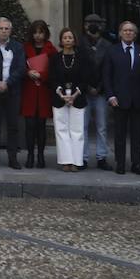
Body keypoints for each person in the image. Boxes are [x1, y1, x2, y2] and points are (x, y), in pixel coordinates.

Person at [102, 20, 140, 175]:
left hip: (138, 99)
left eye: (131, 30)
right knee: (119, 134)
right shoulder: (112, 51)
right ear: (120, 33)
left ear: (135, 34)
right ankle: (120, 163)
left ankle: (136, 163)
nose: (128, 33)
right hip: (119, 99)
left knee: (137, 135)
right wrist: (110, 95)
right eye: (125, 30)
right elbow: (106, 75)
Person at [0, 17, 27, 169]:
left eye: (6, 28)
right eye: (1, 28)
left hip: (12, 91)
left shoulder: (18, 47)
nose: (4, 31)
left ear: (11, 30)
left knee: (13, 126)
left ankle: (13, 159)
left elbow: (21, 68)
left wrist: (7, 83)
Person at [50, 27, 93, 171]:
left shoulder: (82, 57)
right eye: (65, 38)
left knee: (77, 130)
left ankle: (76, 161)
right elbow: (53, 78)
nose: (68, 40)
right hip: (59, 96)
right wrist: (62, 95)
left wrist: (74, 95)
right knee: (61, 129)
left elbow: (85, 78)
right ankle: (65, 161)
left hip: (77, 97)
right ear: (61, 41)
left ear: (74, 40)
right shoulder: (55, 58)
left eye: (70, 37)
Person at [21, 20, 57, 169]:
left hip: (43, 91)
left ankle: (41, 156)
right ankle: (30, 155)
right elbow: (18, 66)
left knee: (41, 126)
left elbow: (55, 70)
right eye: (35, 32)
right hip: (29, 91)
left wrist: (41, 75)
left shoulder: (51, 49)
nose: (38, 35)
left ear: (45, 33)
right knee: (29, 125)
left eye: (41, 32)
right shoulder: (25, 47)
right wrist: (28, 72)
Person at [81, 14, 112, 170]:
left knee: (102, 126)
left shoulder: (107, 45)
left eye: (96, 23)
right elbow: (79, 69)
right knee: (83, 126)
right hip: (84, 91)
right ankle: (83, 157)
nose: (92, 26)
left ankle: (102, 157)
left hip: (101, 92)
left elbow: (108, 69)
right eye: (89, 23)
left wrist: (99, 87)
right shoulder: (80, 44)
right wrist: (87, 86)